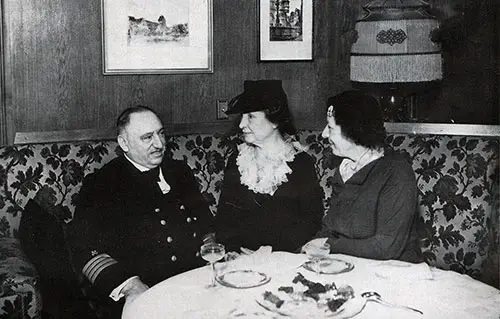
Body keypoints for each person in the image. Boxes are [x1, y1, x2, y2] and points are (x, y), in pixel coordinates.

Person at [68, 106, 214, 318]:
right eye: (147, 137)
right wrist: (130, 287)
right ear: (124, 143)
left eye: (161, 133)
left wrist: (211, 248)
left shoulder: (179, 171)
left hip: (195, 283)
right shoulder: (102, 184)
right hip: (144, 291)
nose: (159, 144)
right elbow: (83, 247)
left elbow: (204, 222)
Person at [305, 90, 422, 263]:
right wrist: (306, 249)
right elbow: (331, 227)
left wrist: (328, 246)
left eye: (330, 128)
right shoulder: (345, 168)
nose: (323, 134)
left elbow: (387, 247)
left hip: (393, 272)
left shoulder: (397, 172)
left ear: (353, 131)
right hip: (349, 263)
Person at [215, 80, 324, 253]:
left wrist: (271, 251)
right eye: (243, 117)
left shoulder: (301, 164)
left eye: (250, 116)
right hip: (243, 260)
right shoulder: (237, 161)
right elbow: (224, 220)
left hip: (285, 259)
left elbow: (312, 221)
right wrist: (235, 251)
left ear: (274, 122)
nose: (242, 124)